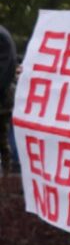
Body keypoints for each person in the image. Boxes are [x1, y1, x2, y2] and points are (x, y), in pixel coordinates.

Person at [0, 25, 17, 174]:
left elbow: (5, 71)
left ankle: (7, 177)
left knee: (3, 142)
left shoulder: (2, 37)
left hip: (2, 98)